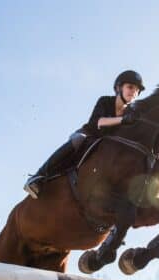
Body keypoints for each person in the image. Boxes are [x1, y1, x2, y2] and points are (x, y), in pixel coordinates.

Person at [24, 70, 145, 199]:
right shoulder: (105, 101)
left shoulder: (131, 113)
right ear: (119, 88)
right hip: (89, 136)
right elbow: (97, 122)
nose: (134, 92)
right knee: (78, 139)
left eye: (137, 90)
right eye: (130, 87)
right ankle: (38, 177)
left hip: (105, 145)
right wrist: (122, 120)